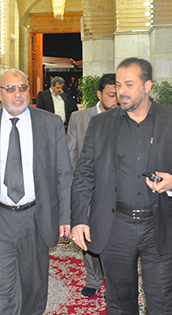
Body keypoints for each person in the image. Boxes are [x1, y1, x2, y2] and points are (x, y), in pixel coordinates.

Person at [70, 58, 172, 315]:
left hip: (160, 226)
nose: (122, 91)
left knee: (163, 306)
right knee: (119, 304)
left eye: (129, 84)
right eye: (119, 85)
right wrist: (79, 219)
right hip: (115, 227)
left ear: (147, 85)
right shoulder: (101, 124)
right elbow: (84, 174)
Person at [0, 69, 73, 315]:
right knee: (1, 287)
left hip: (36, 216)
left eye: (23, 88)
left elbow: (64, 173)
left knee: (33, 286)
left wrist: (66, 216)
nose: (18, 94)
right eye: (10, 89)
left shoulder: (50, 123)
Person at [66, 73, 118, 297]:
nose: (116, 100)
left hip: (115, 191)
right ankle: (94, 278)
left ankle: (114, 282)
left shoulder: (127, 117)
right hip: (88, 188)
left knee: (115, 239)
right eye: (111, 95)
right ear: (99, 94)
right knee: (88, 235)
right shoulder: (79, 118)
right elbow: (70, 156)